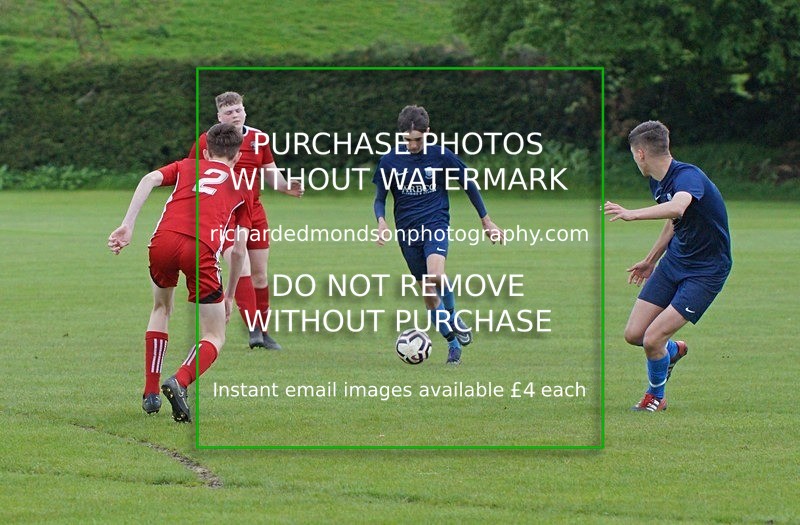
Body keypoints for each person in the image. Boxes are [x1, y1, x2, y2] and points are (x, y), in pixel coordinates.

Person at [108, 123, 253, 422]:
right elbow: (238, 250)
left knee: (161, 307)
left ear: (205, 151)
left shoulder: (188, 166)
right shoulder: (241, 187)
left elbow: (149, 179)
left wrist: (128, 224)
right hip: (200, 249)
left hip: (163, 240)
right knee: (215, 335)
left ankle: (150, 392)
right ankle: (180, 380)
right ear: (237, 156)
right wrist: (230, 295)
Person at [604, 120, 732, 412]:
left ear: (639, 154)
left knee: (652, 338)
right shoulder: (658, 182)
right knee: (635, 335)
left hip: (706, 272)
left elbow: (678, 207)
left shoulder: (688, 177)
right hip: (675, 262)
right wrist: (650, 260)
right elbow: (674, 222)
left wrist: (631, 214)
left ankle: (656, 397)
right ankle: (671, 351)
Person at [373, 105, 504, 365]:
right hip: (407, 233)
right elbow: (380, 199)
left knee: (436, 275)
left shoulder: (441, 156)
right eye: (408, 140)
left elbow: (469, 184)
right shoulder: (389, 161)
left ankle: (454, 317)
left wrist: (486, 221)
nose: (412, 145)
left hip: (435, 223)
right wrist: (381, 222)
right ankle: (453, 343)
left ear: (428, 133)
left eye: (418, 140)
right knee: (430, 296)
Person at [189, 91, 303, 350]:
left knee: (261, 276)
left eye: (238, 110)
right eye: (229, 112)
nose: (235, 115)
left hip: (254, 212)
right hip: (225, 215)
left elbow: (270, 174)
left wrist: (287, 187)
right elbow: (191, 174)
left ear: (245, 111)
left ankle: (263, 331)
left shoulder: (259, 139)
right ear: (219, 116)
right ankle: (254, 330)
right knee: (242, 267)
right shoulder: (206, 143)